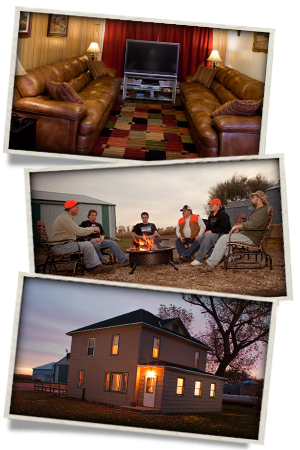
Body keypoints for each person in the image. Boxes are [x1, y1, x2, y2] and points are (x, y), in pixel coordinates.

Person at [198, 190, 270, 273]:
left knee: (224, 238)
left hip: (251, 238)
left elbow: (253, 225)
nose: (251, 200)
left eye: (253, 198)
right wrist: (239, 230)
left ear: (259, 199)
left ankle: (211, 264)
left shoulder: (262, 212)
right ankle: (229, 260)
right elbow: (252, 224)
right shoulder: (258, 211)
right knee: (227, 237)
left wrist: (237, 226)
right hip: (247, 234)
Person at [49, 200, 113, 274]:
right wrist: (92, 229)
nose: (78, 208)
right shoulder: (65, 218)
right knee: (88, 244)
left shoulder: (66, 217)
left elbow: (76, 232)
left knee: (87, 244)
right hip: (59, 247)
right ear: (71, 208)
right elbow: (78, 231)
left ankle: (97, 265)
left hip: (62, 245)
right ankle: (91, 267)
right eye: (77, 207)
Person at [190, 198, 231, 266]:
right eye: (210, 205)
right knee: (200, 238)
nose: (211, 206)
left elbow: (224, 228)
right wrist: (207, 231)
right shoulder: (211, 214)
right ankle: (215, 256)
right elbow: (208, 226)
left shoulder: (223, 214)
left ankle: (199, 259)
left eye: (213, 204)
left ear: (218, 205)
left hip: (222, 234)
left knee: (208, 237)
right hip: (213, 233)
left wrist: (211, 231)